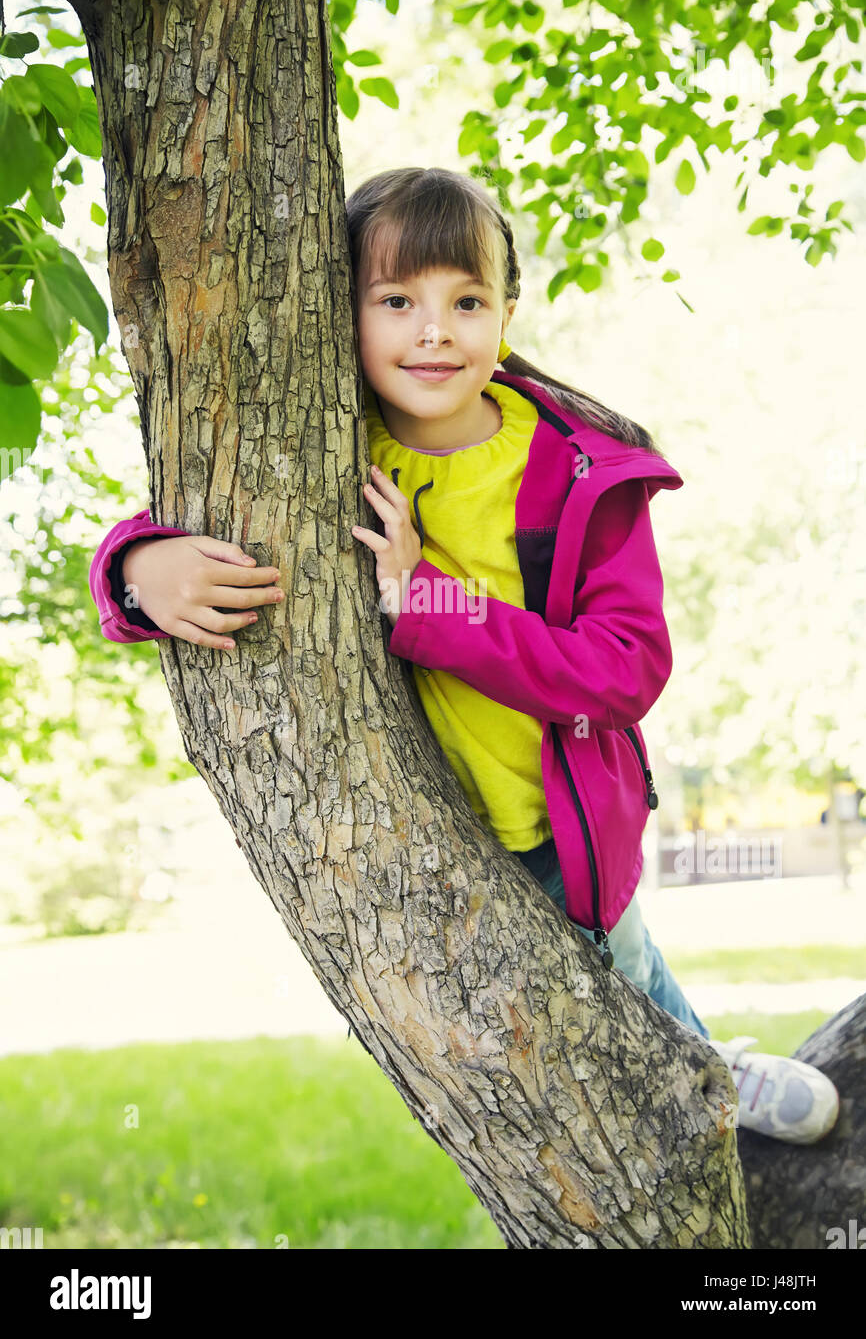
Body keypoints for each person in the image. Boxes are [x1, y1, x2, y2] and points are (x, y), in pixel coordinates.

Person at [88, 166, 839, 1148]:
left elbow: (623, 670)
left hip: (549, 827)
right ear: (338, 312)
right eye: (395, 300)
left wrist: (428, 599)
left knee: (626, 994)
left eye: (465, 300)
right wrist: (140, 569)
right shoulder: (320, 443)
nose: (432, 330)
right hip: (408, 847)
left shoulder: (573, 472)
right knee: (527, 1081)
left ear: (506, 313)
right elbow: (182, 538)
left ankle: (710, 1071)